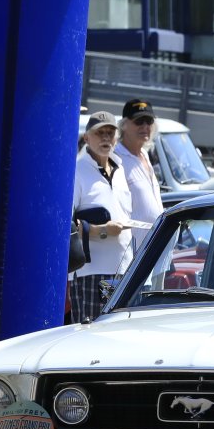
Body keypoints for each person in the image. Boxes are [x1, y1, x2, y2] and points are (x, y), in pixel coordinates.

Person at [70, 112, 133, 322]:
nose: (106, 137)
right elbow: (67, 225)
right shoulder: (77, 172)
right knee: (92, 332)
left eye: (110, 133)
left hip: (124, 269)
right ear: (87, 138)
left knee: (118, 331)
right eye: (100, 133)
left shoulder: (120, 169)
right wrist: (103, 231)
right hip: (91, 272)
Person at [114, 99, 164, 255]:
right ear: (124, 125)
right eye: (139, 121)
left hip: (154, 247)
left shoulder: (144, 154)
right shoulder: (116, 158)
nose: (145, 126)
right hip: (133, 253)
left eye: (149, 121)